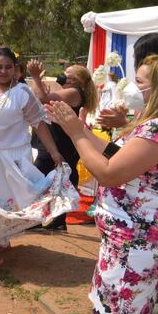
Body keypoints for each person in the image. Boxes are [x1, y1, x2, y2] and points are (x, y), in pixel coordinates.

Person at [45, 55, 158, 314]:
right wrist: (85, 133)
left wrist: (76, 133)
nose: (132, 87)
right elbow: (117, 155)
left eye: (139, 82)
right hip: (129, 242)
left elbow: (109, 172)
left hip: (134, 244)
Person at [0, 47, 73, 274]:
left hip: (12, 160)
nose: (4, 71)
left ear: (16, 69)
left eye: (9, 67)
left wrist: (54, 152)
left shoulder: (22, 93)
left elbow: (39, 123)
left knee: (3, 205)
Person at [27, 61, 99, 230]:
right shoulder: (72, 92)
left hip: (60, 142)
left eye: (68, 75)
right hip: (61, 140)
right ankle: (56, 220)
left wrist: (36, 77)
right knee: (59, 178)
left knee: (39, 178)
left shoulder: (74, 92)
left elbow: (42, 99)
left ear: (77, 81)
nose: (63, 76)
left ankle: (37, 218)